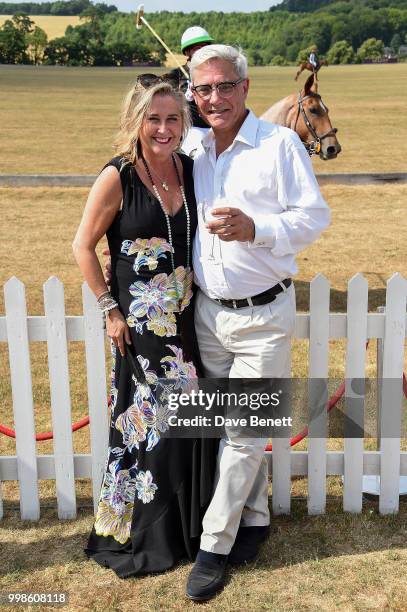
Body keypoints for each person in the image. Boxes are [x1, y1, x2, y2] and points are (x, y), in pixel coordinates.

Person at [184, 44, 331, 601]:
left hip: (264, 315)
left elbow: (314, 216)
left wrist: (256, 228)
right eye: (204, 89)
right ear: (194, 94)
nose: (214, 98)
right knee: (223, 427)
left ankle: (212, 546)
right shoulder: (193, 146)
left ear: (245, 88)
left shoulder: (280, 144)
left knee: (244, 434)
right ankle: (255, 514)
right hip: (206, 314)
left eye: (225, 86)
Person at [72, 77, 217, 578]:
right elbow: (82, 246)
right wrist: (110, 309)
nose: (163, 129)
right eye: (153, 119)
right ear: (136, 121)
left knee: (186, 422)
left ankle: (184, 531)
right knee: (147, 423)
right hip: (141, 325)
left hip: (187, 321)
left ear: (184, 121)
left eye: (172, 118)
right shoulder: (118, 176)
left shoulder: (192, 170)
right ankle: (141, 532)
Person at [167, 26, 214, 156]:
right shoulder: (175, 75)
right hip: (191, 129)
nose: (203, 52)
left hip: (215, 125)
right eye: (198, 48)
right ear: (187, 52)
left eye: (205, 47)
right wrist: (183, 97)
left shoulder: (214, 72)